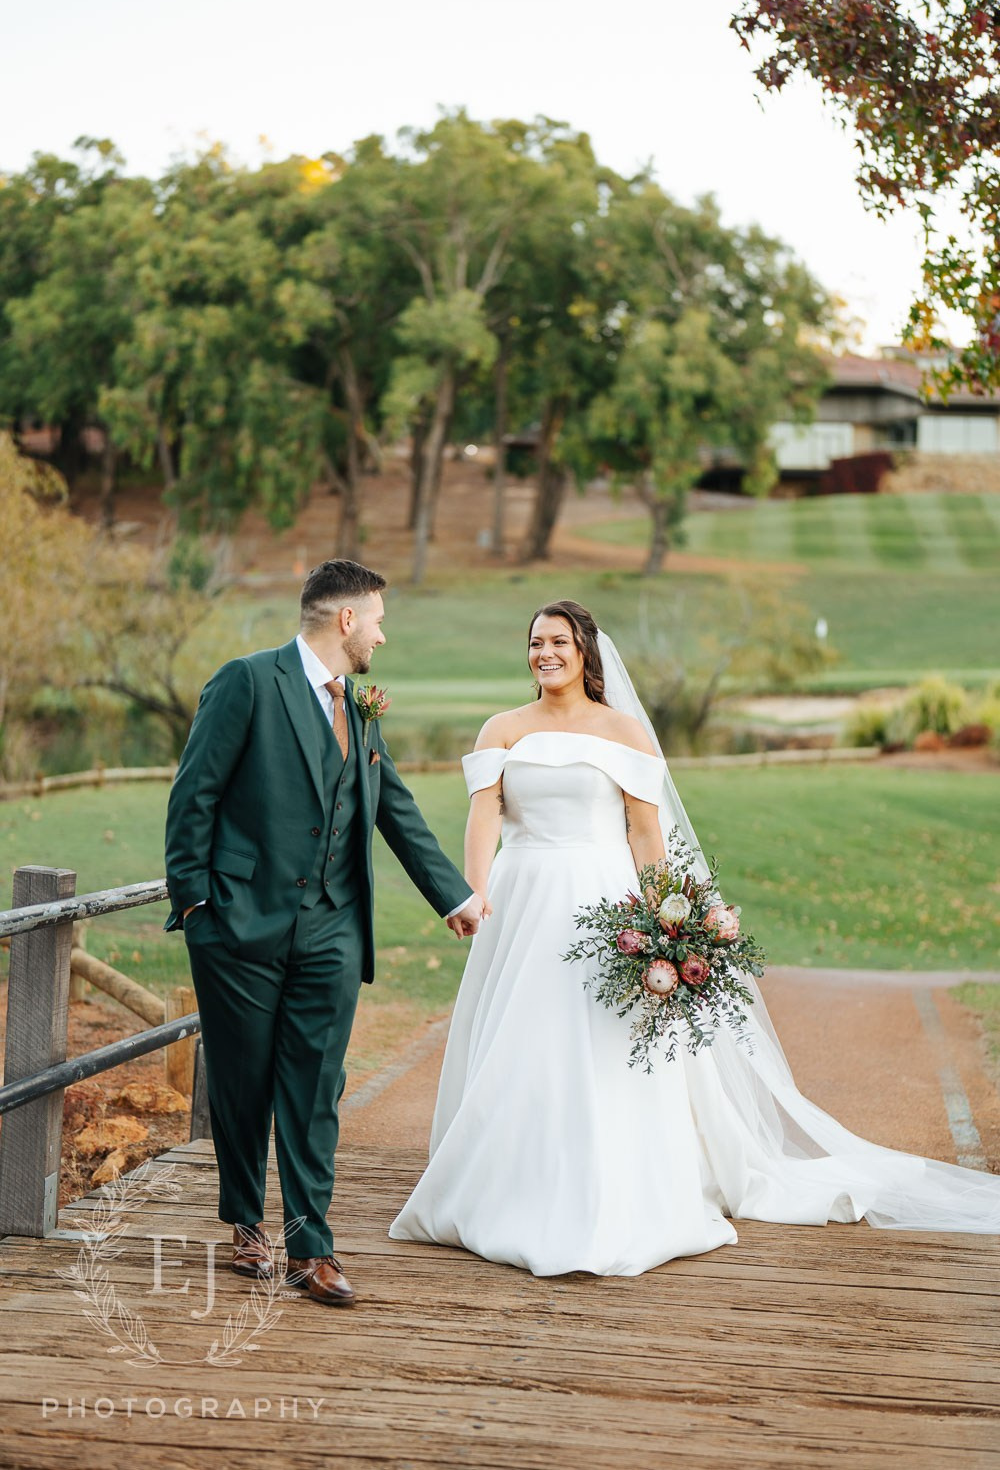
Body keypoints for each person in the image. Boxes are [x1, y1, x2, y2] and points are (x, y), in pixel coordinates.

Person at [389, 599, 1000, 1277]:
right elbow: (486, 821)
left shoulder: (624, 732)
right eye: (536, 643)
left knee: (600, 1038)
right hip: (523, 898)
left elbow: (647, 835)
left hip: (603, 899)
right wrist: (472, 896)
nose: (546, 654)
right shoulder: (502, 728)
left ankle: (610, 1182)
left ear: (586, 651)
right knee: (520, 1032)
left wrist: (666, 924)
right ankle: (505, 1179)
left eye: (559, 641)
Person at [165, 559, 482, 1306]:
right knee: (240, 1082)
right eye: (376, 618)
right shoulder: (246, 682)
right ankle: (245, 1222)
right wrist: (198, 911)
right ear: (345, 621)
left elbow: (392, 807)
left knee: (314, 1088)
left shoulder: (361, 707)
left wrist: (453, 896)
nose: (382, 632)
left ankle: (312, 1246)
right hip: (238, 925)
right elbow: (193, 798)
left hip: (334, 929)